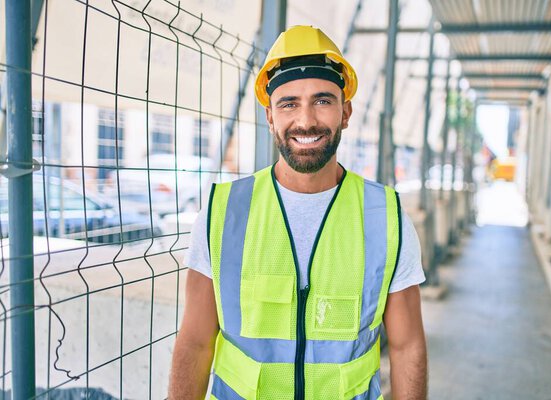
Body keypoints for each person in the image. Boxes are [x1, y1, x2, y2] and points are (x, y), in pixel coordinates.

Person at [169, 25, 427, 399]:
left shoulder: (386, 216)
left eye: (322, 100)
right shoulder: (222, 212)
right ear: (270, 116)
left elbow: (407, 347)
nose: (305, 121)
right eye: (288, 103)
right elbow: (195, 341)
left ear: (346, 112)